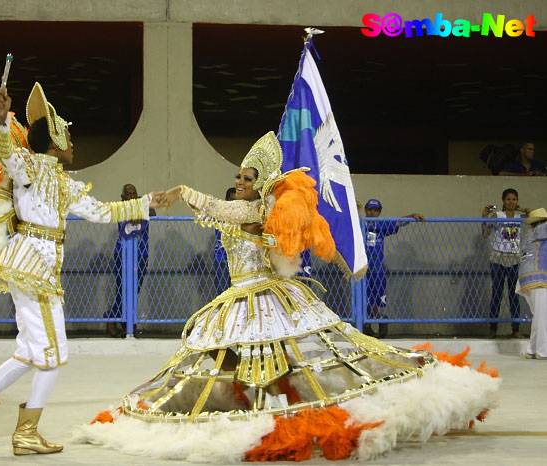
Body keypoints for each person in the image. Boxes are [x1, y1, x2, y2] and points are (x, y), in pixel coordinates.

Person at [77, 132, 499, 462]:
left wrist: (184, 190)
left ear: (260, 186)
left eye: (247, 178)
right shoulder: (254, 210)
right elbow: (220, 214)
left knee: (282, 361)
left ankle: (277, 419)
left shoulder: (258, 211)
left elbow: (223, 211)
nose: (239, 182)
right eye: (238, 177)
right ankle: (254, 413)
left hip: (267, 299)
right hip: (237, 300)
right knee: (227, 361)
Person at [0, 83, 163, 455]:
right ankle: (25, 434)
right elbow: (7, 152)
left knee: (30, 352)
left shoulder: (65, 183)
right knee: (54, 355)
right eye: (69, 136)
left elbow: (103, 212)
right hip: (31, 268)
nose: (73, 143)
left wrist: (147, 203)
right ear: (56, 139)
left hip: (37, 271)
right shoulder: (29, 167)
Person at [362, 199, 425, 337]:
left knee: (375, 299)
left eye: (375, 210)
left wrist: (412, 215)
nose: (372, 213)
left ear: (379, 212)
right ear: (365, 210)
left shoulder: (381, 225)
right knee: (363, 299)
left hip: (377, 269)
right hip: (361, 270)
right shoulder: (359, 225)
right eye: (370, 209)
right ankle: (370, 324)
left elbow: (399, 222)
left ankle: (375, 321)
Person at [105, 183, 156, 338]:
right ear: (122, 197)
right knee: (123, 290)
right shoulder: (120, 208)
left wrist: (140, 207)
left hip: (141, 255)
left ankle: (122, 320)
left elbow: (153, 212)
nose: (132, 196)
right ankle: (120, 321)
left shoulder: (141, 203)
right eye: (128, 194)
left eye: (134, 193)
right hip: (123, 255)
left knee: (135, 290)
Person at [481, 189, 530, 339]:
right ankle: (492, 329)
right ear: (503, 200)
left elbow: (539, 214)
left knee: (514, 294)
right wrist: (484, 217)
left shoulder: (519, 217)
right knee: (497, 293)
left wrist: (522, 209)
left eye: (514, 199)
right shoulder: (498, 216)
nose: (511, 202)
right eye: (508, 199)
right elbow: (485, 234)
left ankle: (515, 328)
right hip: (498, 257)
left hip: (514, 258)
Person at [516, 208, 547, 359]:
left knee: (538, 315)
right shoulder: (542, 230)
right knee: (542, 316)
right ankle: (542, 352)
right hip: (537, 278)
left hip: (525, 278)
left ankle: (531, 350)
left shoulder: (529, 234)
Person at [213, 187, 237, 296]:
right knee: (222, 293)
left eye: (236, 201)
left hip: (238, 262)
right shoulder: (220, 216)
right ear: (226, 200)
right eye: (231, 200)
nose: (234, 204)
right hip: (222, 260)